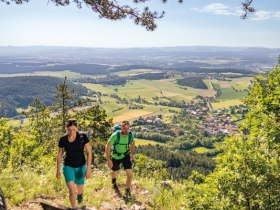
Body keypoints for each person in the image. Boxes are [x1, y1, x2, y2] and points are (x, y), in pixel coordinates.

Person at [56, 118, 92, 208]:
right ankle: (74, 207)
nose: (72, 132)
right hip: (68, 166)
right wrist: (58, 170)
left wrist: (88, 169)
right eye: (69, 130)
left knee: (80, 190)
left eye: (74, 130)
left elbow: (89, 152)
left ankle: (80, 200)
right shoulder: (63, 139)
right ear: (67, 129)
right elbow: (59, 155)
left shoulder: (83, 136)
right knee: (72, 191)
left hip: (81, 166)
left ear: (76, 128)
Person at [105, 120, 135, 197]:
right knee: (114, 172)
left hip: (125, 155)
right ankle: (113, 180)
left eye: (127, 128)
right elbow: (107, 147)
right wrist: (109, 160)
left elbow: (132, 144)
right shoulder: (115, 135)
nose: (126, 130)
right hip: (116, 156)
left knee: (130, 174)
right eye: (124, 128)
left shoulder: (130, 135)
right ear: (121, 127)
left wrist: (132, 154)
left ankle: (127, 190)